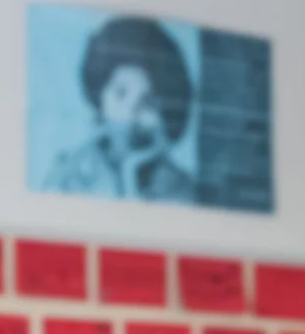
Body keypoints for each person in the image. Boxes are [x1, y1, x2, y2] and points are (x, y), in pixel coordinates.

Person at [42, 15, 195, 200]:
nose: (130, 113)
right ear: (100, 96)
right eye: (120, 93)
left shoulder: (183, 191)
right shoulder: (68, 174)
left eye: (147, 103)